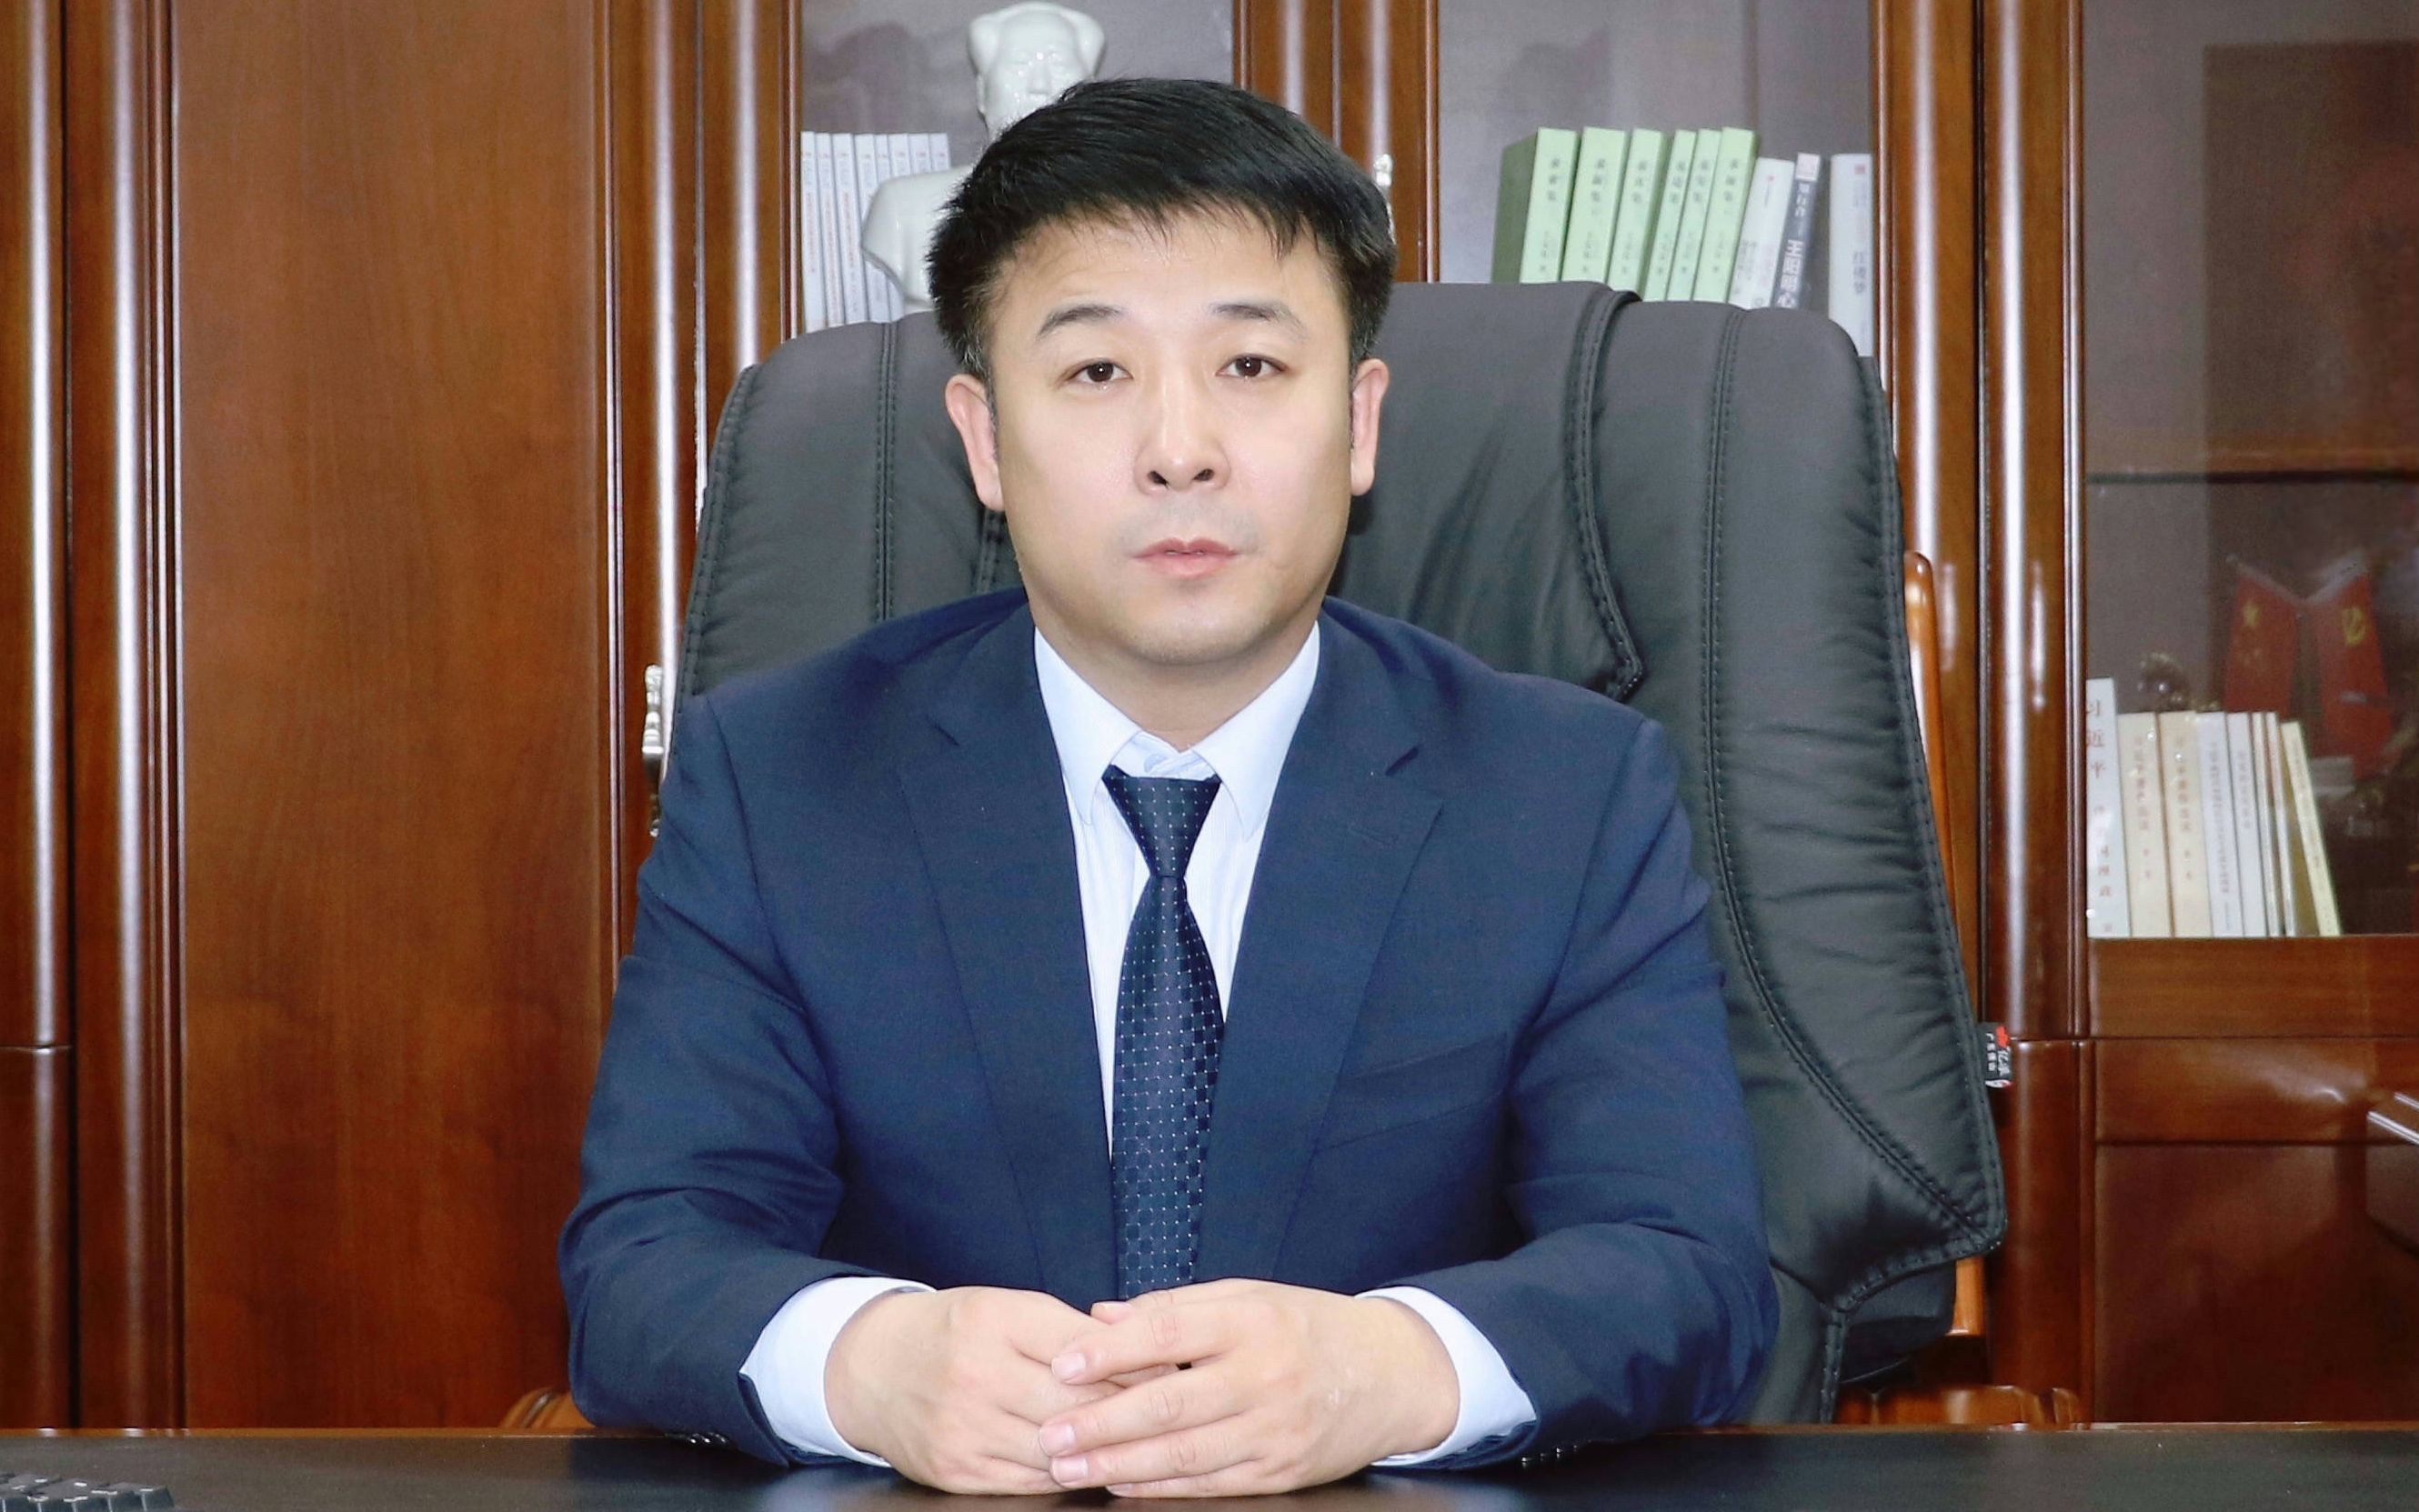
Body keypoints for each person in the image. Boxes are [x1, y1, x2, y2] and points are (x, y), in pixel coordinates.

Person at [559, 75, 1777, 1498]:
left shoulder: (1563, 794)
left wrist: (1389, 1371)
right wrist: (870, 1364)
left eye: (1252, 366)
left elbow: (1686, 1271)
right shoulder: (783, 782)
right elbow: (644, 1262)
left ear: (1360, 422)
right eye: (1096, 373)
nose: (1181, 449)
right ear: (984, 441)